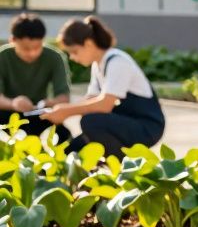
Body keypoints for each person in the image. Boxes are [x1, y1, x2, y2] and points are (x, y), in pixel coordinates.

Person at [43, 17, 165, 155]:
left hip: (146, 128)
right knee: (71, 151)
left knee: (91, 122)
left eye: (74, 51)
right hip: (126, 124)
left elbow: (104, 105)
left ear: (88, 44)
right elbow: (91, 100)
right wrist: (57, 110)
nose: (72, 57)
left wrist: (66, 112)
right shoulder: (98, 65)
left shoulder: (117, 61)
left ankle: (122, 165)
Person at [0, 13, 71, 140]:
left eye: (37, 47)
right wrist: (13, 103)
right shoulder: (2, 56)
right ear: (13, 40)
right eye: (26, 48)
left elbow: (64, 97)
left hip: (38, 113)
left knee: (63, 134)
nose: (32, 52)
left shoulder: (54, 57)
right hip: (7, 113)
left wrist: (47, 103)